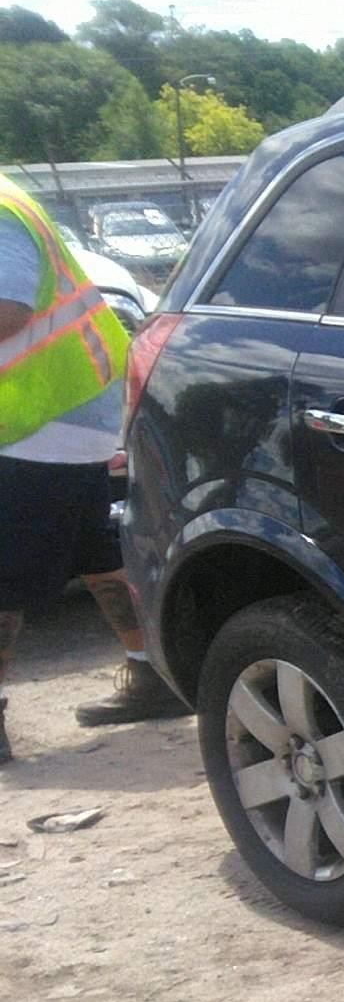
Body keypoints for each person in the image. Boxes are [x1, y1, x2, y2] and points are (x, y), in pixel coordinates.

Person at [0, 178, 190, 766]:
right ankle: (154, 675)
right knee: (95, 550)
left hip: (36, 418)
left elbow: (7, 309)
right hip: (67, 408)